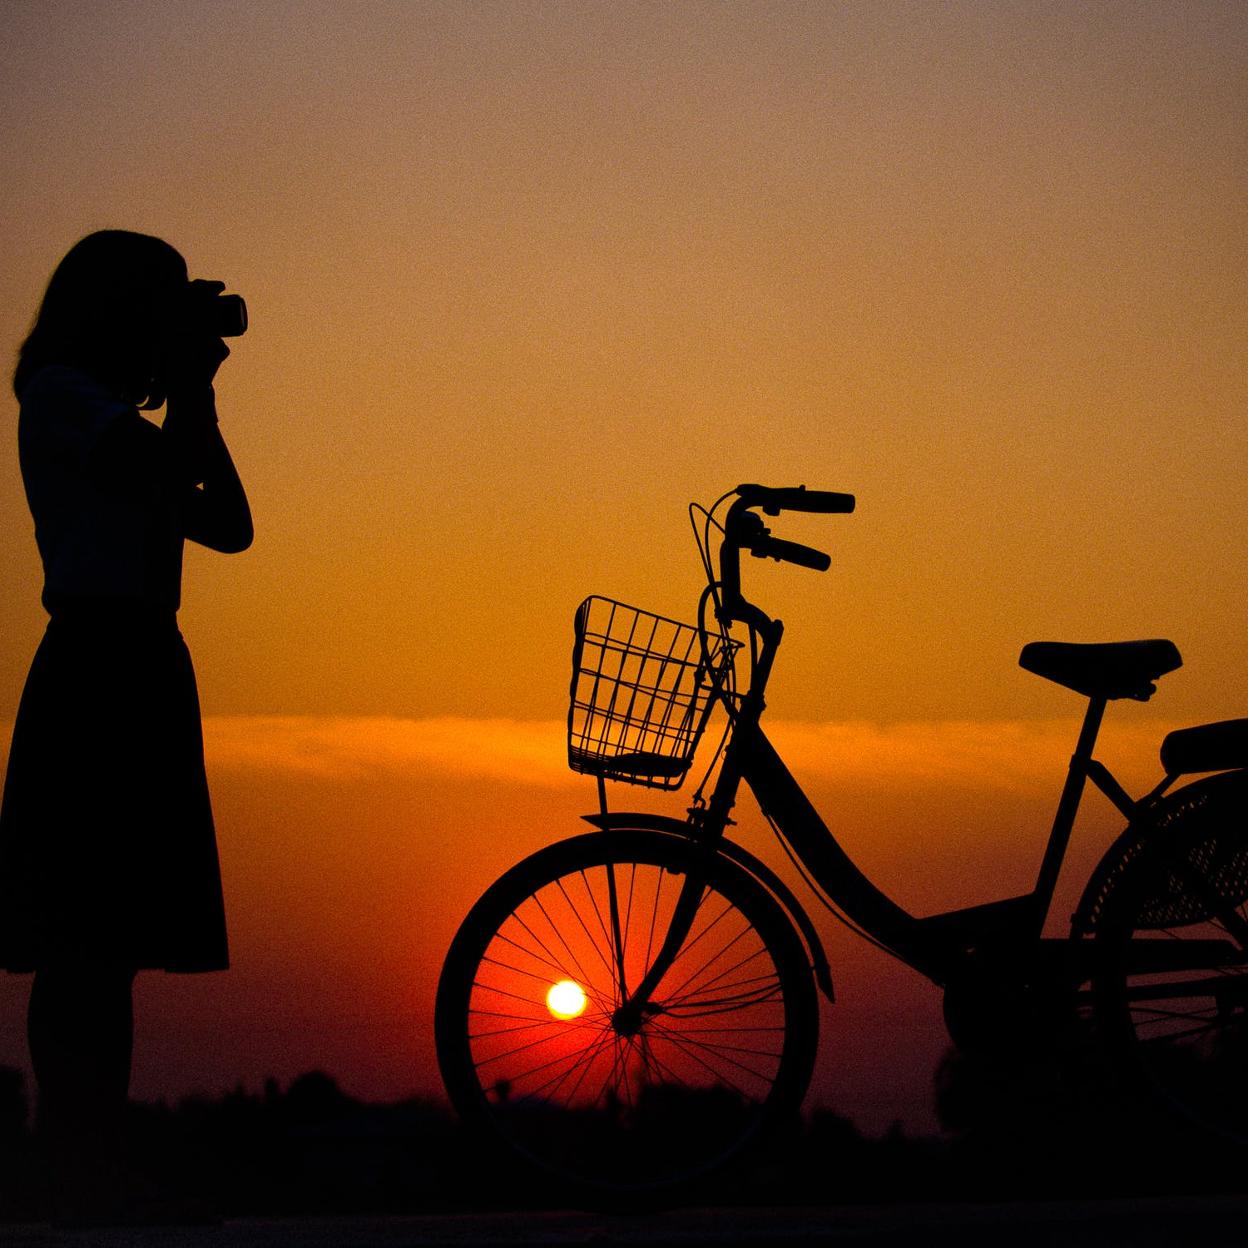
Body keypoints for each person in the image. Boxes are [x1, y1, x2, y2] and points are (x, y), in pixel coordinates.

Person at [0, 230, 253, 1221]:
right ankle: (76, 1165)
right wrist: (189, 383)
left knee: (118, 944)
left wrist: (199, 387)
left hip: (145, 660)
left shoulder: (112, 411)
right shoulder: (58, 394)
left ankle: (91, 1162)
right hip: (97, 660)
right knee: (80, 942)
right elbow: (168, 480)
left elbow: (228, 523)